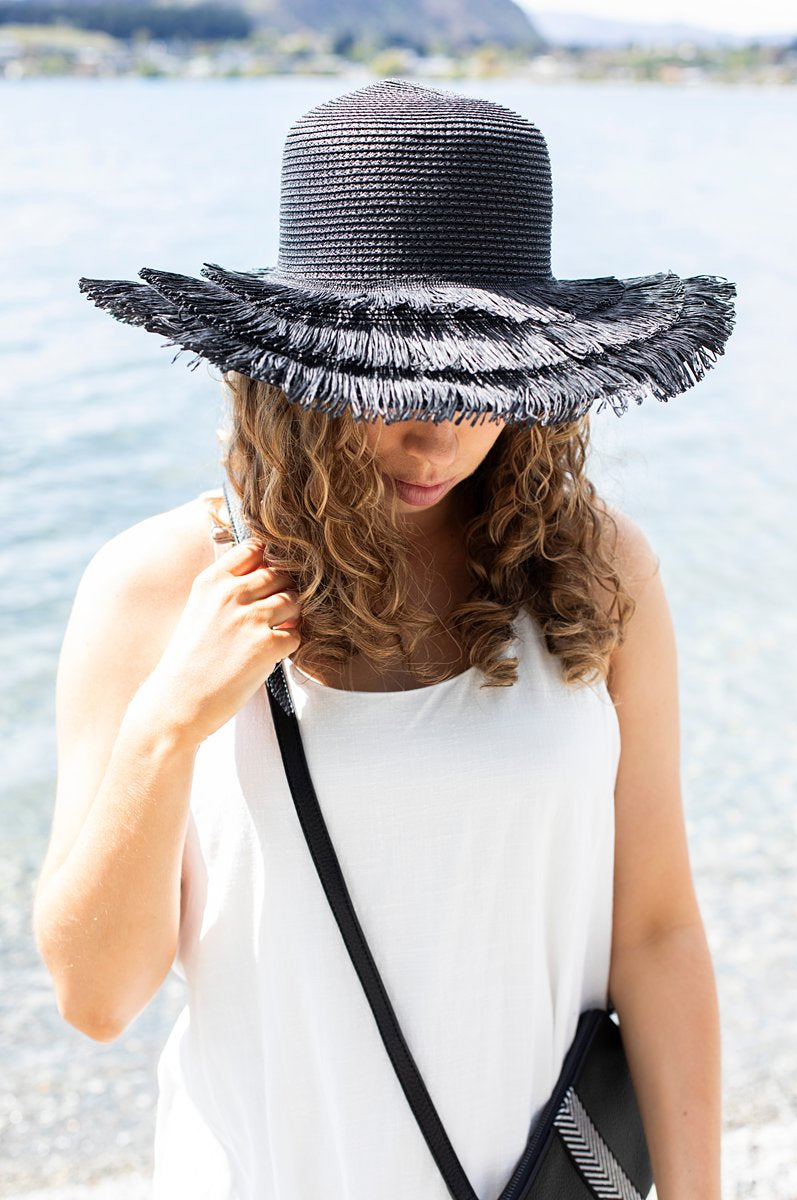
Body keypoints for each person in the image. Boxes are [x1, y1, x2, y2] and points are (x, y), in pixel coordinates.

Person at [33, 80, 736, 1200]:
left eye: (483, 376)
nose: (438, 430)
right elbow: (97, 998)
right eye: (390, 376)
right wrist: (171, 719)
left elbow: (652, 932)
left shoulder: (593, 570)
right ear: (297, 367)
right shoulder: (159, 584)